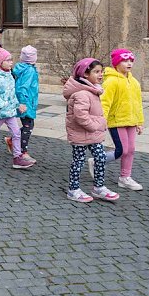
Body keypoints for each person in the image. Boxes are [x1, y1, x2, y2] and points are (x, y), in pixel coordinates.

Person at [64, 58, 120, 203]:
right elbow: (80, 116)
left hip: (93, 134)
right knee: (78, 161)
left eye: (101, 71)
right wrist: (95, 126)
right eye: (96, 72)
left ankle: (99, 187)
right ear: (85, 74)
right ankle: (73, 190)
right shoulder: (82, 93)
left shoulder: (93, 90)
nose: (100, 74)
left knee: (100, 158)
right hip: (81, 134)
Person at [98, 48, 145, 191]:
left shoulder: (134, 82)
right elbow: (104, 103)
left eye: (131, 60)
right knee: (123, 150)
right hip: (116, 121)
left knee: (131, 149)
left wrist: (139, 122)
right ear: (116, 63)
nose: (129, 63)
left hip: (131, 121)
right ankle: (99, 161)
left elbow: (138, 103)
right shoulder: (111, 81)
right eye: (125, 61)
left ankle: (125, 177)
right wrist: (102, 120)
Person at [4, 45, 39, 163]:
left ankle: (12, 140)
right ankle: (23, 152)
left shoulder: (22, 68)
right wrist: (23, 102)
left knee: (28, 125)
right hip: (26, 102)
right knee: (28, 126)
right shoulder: (29, 71)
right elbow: (23, 87)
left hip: (27, 101)